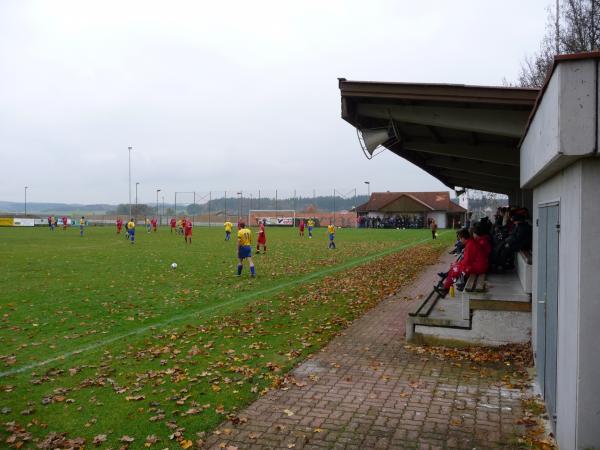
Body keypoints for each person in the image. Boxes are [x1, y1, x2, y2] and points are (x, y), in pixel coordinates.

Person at [436, 226, 490, 297]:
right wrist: (458, 264)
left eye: (460, 239)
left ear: (463, 238)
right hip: (479, 265)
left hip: (479, 267)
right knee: (455, 267)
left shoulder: (470, 245)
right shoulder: (470, 243)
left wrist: (458, 265)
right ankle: (446, 287)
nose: (460, 241)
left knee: (455, 269)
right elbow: (468, 260)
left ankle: (445, 288)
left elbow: (467, 262)